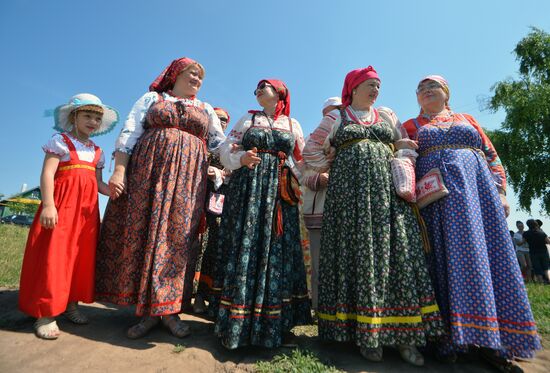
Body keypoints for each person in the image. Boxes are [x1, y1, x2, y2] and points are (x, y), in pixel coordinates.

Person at [304, 67, 444, 366]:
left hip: (387, 195)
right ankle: (363, 335)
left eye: (378, 85)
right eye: (370, 84)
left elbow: (404, 144)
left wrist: (402, 161)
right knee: (357, 255)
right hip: (348, 198)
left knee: (396, 255)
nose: (375, 90)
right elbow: (311, 148)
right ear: (353, 88)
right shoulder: (336, 117)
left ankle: (405, 338)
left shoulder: (387, 116)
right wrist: (333, 162)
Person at [401, 75, 541, 367]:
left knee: (487, 259)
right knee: (443, 262)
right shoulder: (411, 126)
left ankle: (494, 340)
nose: (427, 91)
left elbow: (492, 155)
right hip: (436, 204)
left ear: (446, 93)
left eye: (433, 87)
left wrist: (501, 191)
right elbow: (404, 162)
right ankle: (448, 338)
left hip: (480, 201)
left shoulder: (468, 120)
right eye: (421, 89)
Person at [95, 57, 226, 339]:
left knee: (177, 237)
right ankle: (145, 313)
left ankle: (168, 311)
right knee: (145, 233)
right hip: (148, 174)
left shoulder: (204, 109)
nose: (197, 80)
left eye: (200, 77)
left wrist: (244, 150)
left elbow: (220, 144)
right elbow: (129, 133)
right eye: (193, 74)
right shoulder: (152, 99)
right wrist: (119, 171)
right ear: (176, 74)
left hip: (188, 180)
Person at [214, 79, 311, 349]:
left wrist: (304, 181)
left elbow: (302, 160)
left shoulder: (293, 125)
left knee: (277, 249)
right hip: (249, 189)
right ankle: (237, 323)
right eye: (255, 89)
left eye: (263, 87)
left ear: (279, 93)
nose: (257, 91)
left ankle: (277, 323)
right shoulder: (248, 119)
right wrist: (240, 159)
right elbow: (226, 148)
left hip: (280, 193)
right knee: (247, 243)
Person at [19, 93, 118, 339]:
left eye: (97, 117)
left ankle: (70, 304)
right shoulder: (60, 141)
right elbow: (47, 175)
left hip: (86, 214)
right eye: (87, 115)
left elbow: (98, 184)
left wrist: (114, 189)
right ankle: (46, 312)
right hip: (61, 208)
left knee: (80, 257)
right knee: (55, 257)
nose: (93, 121)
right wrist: (49, 205)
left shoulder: (97, 151)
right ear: (74, 116)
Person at [302, 96, 341, 310]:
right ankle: (319, 306)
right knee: (318, 258)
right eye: (329, 112)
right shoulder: (313, 140)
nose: (333, 115)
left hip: (344, 202)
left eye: (337, 110)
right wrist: (315, 178)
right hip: (317, 203)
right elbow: (300, 170)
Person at [193, 107, 231, 315]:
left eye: (225, 119)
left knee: (213, 242)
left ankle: (204, 295)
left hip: (219, 199)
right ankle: (188, 294)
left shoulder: (226, 145)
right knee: (196, 243)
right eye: (218, 118)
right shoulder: (199, 141)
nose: (222, 122)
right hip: (195, 195)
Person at [523, 219, 550, 284]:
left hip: (533, 253)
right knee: (546, 268)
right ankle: (549, 280)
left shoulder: (526, 233)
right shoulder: (542, 233)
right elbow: (548, 242)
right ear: (536, 224)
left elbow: (521, 242)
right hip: (544, 252)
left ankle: (541, 283)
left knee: (537, 268)